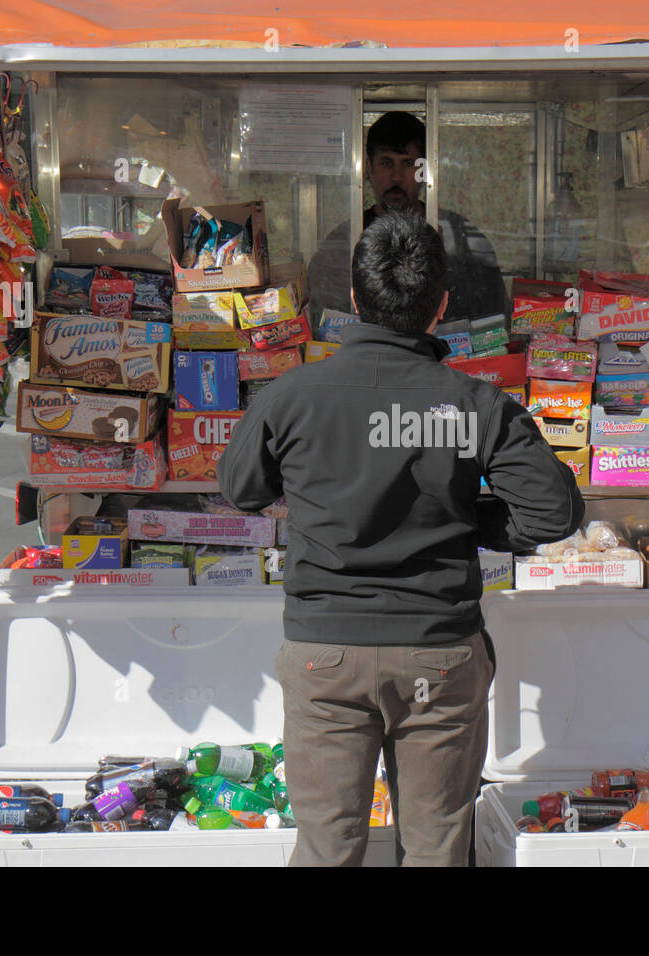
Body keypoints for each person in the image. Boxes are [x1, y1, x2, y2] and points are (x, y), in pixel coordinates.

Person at [219, 211, 583, 866]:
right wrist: (472, 521)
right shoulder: (474, 404)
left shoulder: (294, 395)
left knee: (327, 850)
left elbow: (240, 488)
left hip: (325, 657)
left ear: (354, 301)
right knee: (437, 848)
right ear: (441, 306)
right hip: (437, 656)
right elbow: (553, 515)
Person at [306, 111, 508, 325]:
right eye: (386, 163)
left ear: (424, 171)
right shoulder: (343, 243)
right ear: (367, 168)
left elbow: (491, 322)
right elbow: (322, 321)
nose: (396, 176)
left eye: (408, 163)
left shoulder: (459, 235)